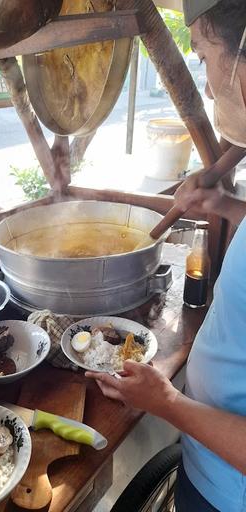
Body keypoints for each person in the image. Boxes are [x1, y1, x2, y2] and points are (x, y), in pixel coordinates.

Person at [86, 1, 246, 511]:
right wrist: (224, 205)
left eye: (201, 54)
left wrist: (168, 403)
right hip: (207, 459)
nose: (205, 80)